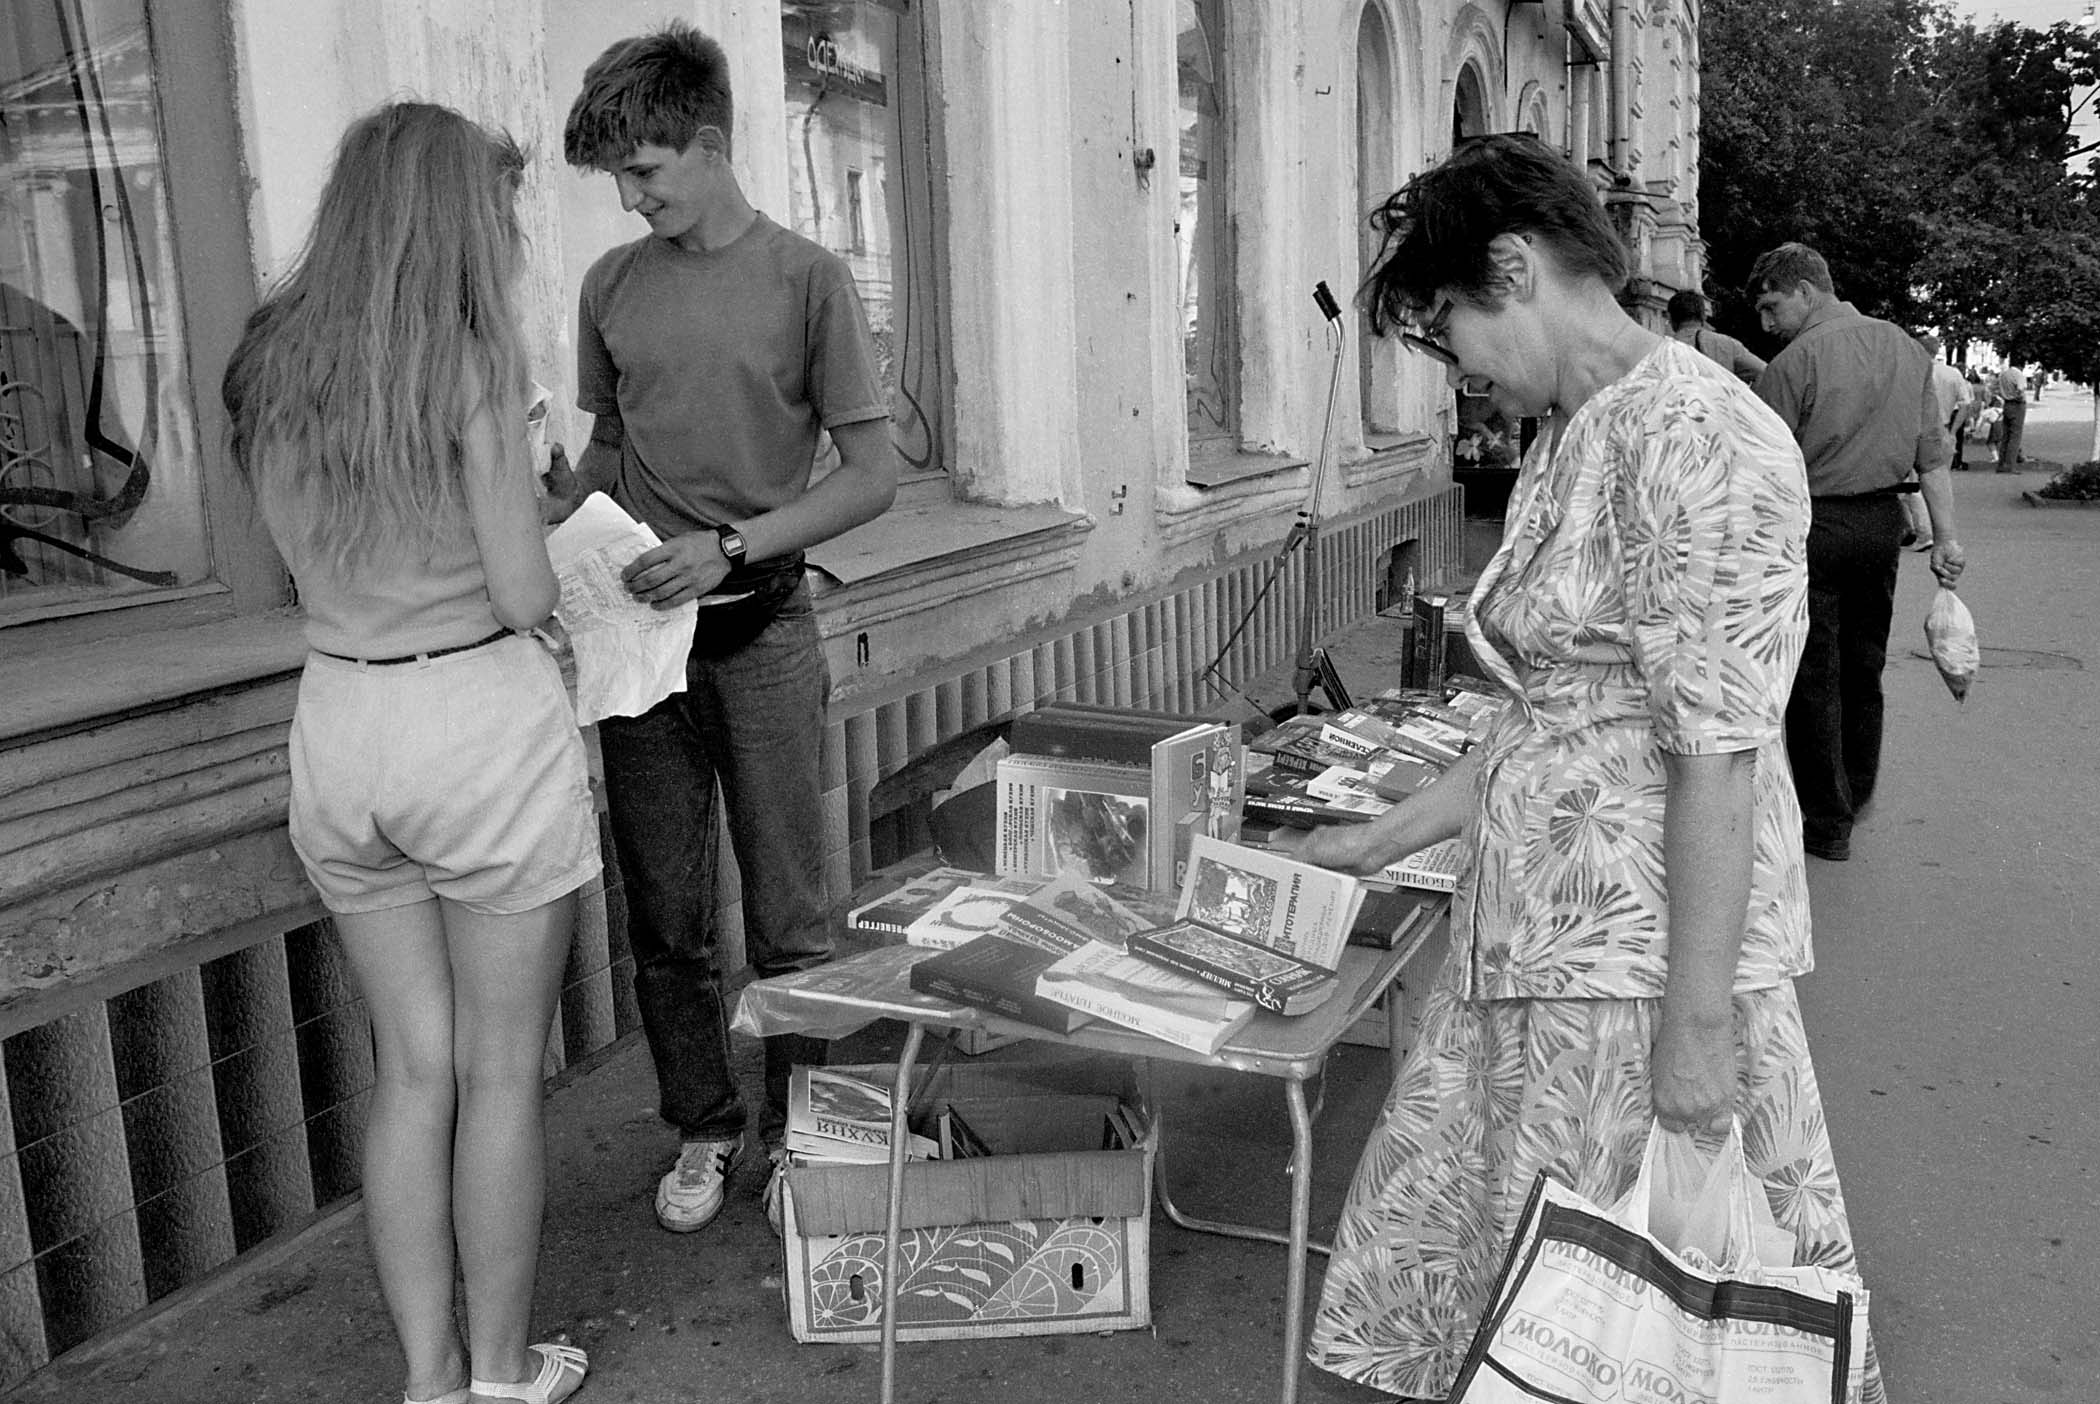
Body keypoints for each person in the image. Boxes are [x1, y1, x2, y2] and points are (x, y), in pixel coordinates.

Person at [1286, 134, 1882, 1404]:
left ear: (1513, 266)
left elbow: (1721, 754)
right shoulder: (1578, 425)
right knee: (1529, 1305)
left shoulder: (1702, 435)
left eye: (1452, 333)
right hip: (1535, 947)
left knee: (1624, 1315)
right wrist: (1373, 840)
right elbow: (1545, 717)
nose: (1462, 376)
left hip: (1635, 975)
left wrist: (1697, 1032)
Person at [221, 102, 596, 1404]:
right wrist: (551, 527)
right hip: (473, 722)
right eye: (497, 210)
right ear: (449, 215)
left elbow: (287, 566)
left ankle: (430, 1381)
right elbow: (522, 592)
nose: (506, 233)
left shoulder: (269, 363)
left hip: (337, 720)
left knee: (412, 1071)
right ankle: (502, 1372)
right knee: (500, 1071)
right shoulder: (472, 362)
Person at [556, 23, 898, 1235]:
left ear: (709, 143)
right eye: (616, 181)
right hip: (638, 649)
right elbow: (607, 451)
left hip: (761, 629)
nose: (630, 198)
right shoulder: (609, 286)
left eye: (644, 172)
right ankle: (703, 1129)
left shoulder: (808, 280)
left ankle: (801, 1137)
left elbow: (872, 477)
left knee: (794, 917)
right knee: (665, 919)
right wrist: (554, 522)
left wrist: (735, 544)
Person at [1750, 242, 1965, 861]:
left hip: (1810, 527)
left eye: (1771, 307)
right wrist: (1946, 539)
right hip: (1881, 524)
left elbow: (1762, 468)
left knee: (1811, 674)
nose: (1767, 325)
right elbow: (1932, 456)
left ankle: (1826, 822)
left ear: (1805, 291)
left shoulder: (1791, 365)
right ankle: (1858, 790)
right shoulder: (1906, 347)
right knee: (1864, 661)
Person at [1911, 333, 1969, 548]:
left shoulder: (1914, 370)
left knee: (1913, 486)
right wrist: (1953, 431)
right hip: (1943, 429)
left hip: (1916, 430)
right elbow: (1965, 404)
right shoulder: (1952, 373)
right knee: (1940, 481)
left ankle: (1924, 532)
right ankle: (1943, 531)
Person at [1666, 286, 1765, 384]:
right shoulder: (1727, 344)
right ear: (1704, 316)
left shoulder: (1661, 351)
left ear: (1669, 317)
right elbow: (1764, 371)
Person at [1991, 362, 2028, 471]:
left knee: (2005, 436)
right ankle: (2010, 465)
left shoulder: (2004, 374)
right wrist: (2019, 397)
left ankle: (2001, 464)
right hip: (2017, 405)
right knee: (2015, 436)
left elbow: (1997, 388)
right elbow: (2021, 389)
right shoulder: (2018, 374)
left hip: (2006, 404)